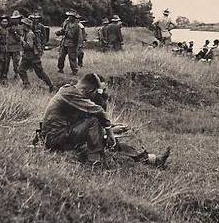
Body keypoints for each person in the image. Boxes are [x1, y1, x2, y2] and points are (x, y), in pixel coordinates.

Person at [39, 72, 170, 168]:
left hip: (63, 134)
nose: (94, 97)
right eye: (94, 93)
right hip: (54, 139)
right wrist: (109, 130)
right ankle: (94, 163)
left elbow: (84, 120)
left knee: (105, 136)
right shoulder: (68, 93)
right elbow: (97, 112)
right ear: (88, 90)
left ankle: (152, 160)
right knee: (94, 123)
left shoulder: (74, 95)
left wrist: (110, 129)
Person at [18, 17, 54, 91]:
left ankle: (51, 86)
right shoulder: (27, 33)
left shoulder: (29, 34)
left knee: (39, 73)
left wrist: (22, 41)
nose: (21, 26)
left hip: (31, 56)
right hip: (29, 56)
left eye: (23, 24)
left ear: (26, 25)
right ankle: (26, 85)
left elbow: (30, 46)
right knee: (22, 70)